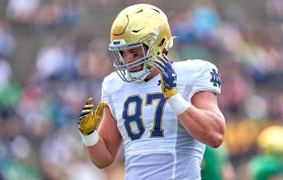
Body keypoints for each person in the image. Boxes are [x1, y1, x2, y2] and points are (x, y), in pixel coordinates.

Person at [77, 3, 226, 179]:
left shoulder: (192, 73)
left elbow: (215, 136)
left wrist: (174, 98)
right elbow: (104, 158)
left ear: (159, 44)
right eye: (122, 53)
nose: (127, 60)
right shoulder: (114, 85)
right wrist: (88, 135)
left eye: (134, 52)